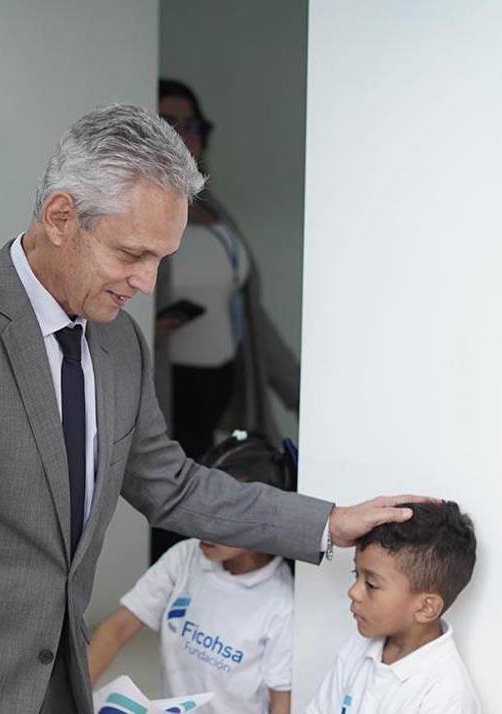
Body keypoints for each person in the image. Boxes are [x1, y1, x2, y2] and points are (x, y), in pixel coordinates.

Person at [0, 103, 425, 713]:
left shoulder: (119, 342)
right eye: (132, 255)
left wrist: (325, 523)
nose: (148, 283)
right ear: (61, 217)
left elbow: (172, 485)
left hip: (56, 688)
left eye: (161, 259)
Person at [151, 79, 303, 561]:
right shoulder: (136, 212)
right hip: (168, 388)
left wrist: (301, 393)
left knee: (226, 492)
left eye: (191, 124)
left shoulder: (216, 212)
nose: (183, 134)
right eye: (168, 122)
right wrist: (149, 324)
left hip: (224, 384)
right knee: (176, 499)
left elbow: (252, 314)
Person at [88, 431, 297, 714]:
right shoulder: (186, 557)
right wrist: (72, 697)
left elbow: (280, 704)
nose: (202, 524)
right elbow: (117, 628)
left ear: (263, 519)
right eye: (200, 506)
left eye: (222, 511)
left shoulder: (282, 603)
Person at [307, 502, 481, 714]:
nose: (353, 592)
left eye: (371, 584)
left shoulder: (445, 695)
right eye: (356, 574)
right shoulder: (358, 647)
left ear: (426, 608)